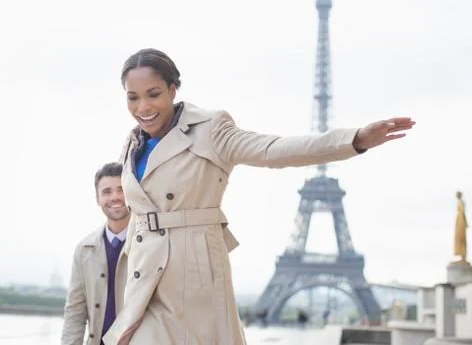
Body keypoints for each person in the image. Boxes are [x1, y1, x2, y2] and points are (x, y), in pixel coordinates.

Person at [103, 48, 415, 345]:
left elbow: (273, 150)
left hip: (190, 273)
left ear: (173, 89)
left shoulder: (209, 130)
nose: (142, 107)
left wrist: (354, 139)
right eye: (133, 98)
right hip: (144, 274)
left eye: (153, 94)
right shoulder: (133, 143)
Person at [62, 162, 130, 345]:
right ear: (98, 198)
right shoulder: (84, 250)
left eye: (121, 189)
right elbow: (75, 312)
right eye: (107, 191)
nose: (115, 197)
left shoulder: (151, 244)